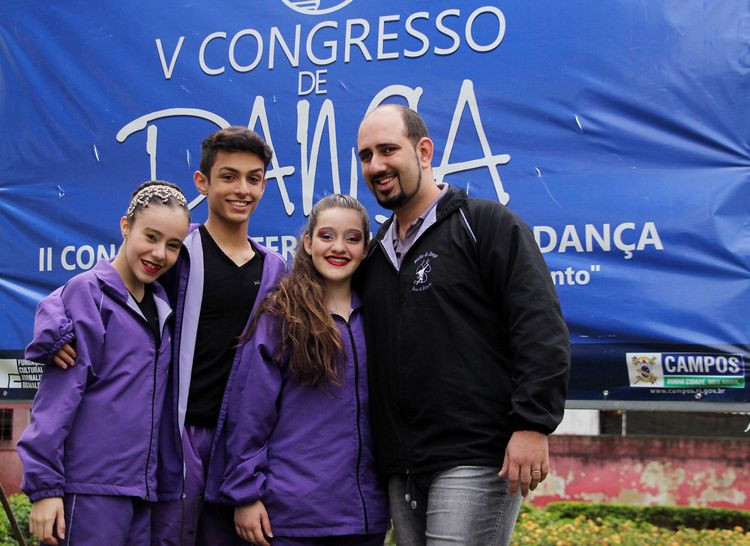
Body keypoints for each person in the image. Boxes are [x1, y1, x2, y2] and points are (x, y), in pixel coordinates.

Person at [51, 127, 288, 545]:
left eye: (253, 178)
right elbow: (99, 284)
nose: (241, 189)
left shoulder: (275, 272)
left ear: (265, 185)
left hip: (234, 445)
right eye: (228, 176)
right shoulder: (178, 250)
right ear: (203, 182)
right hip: (171, 440)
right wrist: (54, 326)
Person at [356, 104, 570, 545]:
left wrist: (533, 424)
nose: (376, 165)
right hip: (402, 468)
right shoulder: (374, 254)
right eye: (365, 155)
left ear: (424, 150)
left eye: (388, 150)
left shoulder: (487, 225)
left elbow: (540, 327)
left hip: (476, 456)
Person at [204, 194, 389, 546]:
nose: (339, 247)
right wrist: (245, 494)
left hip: (365, 519)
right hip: (290, 519)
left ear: (366, 249)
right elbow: (249, 412)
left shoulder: (379, 316)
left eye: (352, 238)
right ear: (308, 242)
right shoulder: (281, 315)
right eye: (327, 236)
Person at [18, 181, 191, 545]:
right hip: (89, 489)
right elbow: (55, 403)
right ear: (125, 226)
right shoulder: (87, 295)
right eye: (151, 236)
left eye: (173, 245)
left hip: (141, 491)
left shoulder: (162, 306)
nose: (160, 253)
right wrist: (45, 489)